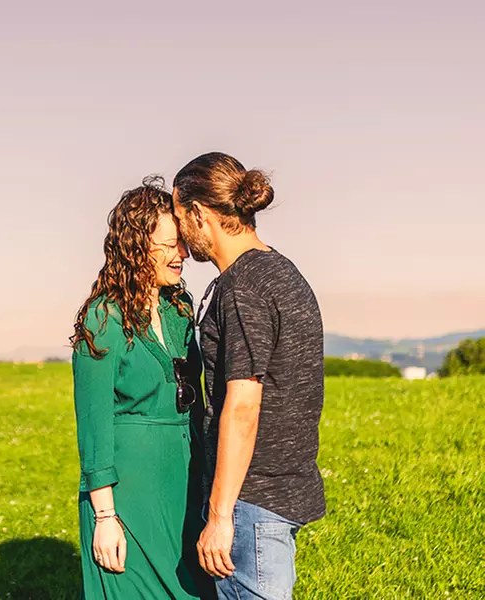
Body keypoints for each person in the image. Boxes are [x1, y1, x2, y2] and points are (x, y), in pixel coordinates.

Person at [171, 152, 326, 600]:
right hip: (282, 489)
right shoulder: (280, 269)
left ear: (199, 213)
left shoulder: (241, 287)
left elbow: (242, 405)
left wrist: (220, 515)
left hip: (251, 500)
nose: (180, 240)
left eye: (181, 218)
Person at [72, 175, 214, 599]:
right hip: (128, 495)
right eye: (170, 244)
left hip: (186, 481)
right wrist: (105, 517)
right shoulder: (103, 319)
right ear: (137, 246)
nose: (183, 254)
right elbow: (94, 429)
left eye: (182, 243)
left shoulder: (180, 308)